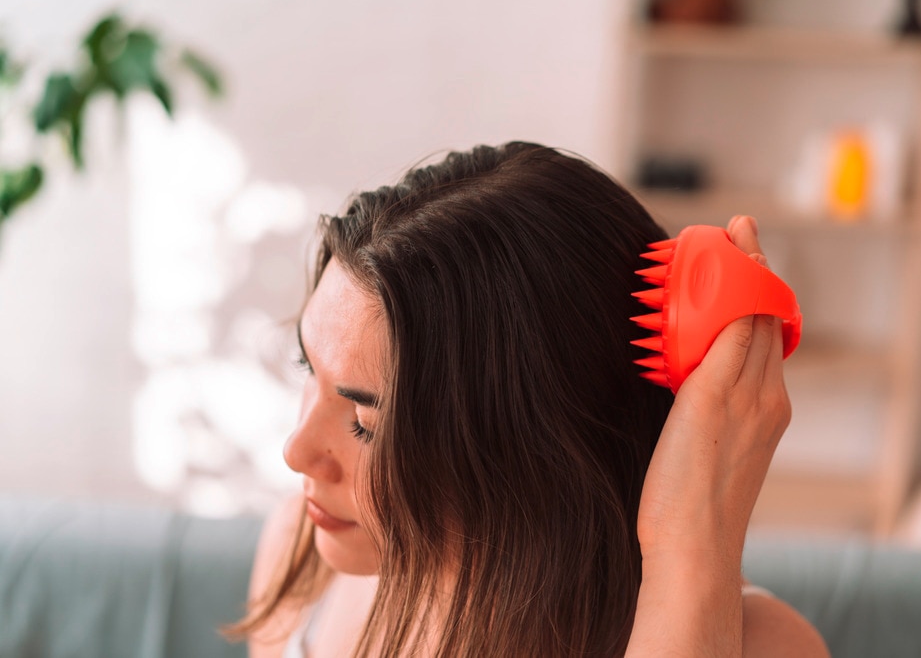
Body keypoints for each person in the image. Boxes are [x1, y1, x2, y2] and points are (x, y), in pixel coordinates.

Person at [233, 142, 830, 656]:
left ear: (530, 449)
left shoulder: (761, 647)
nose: (298, 451)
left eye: (365, 422)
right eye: (306, 367)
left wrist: (691, 550)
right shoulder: (302, 557)